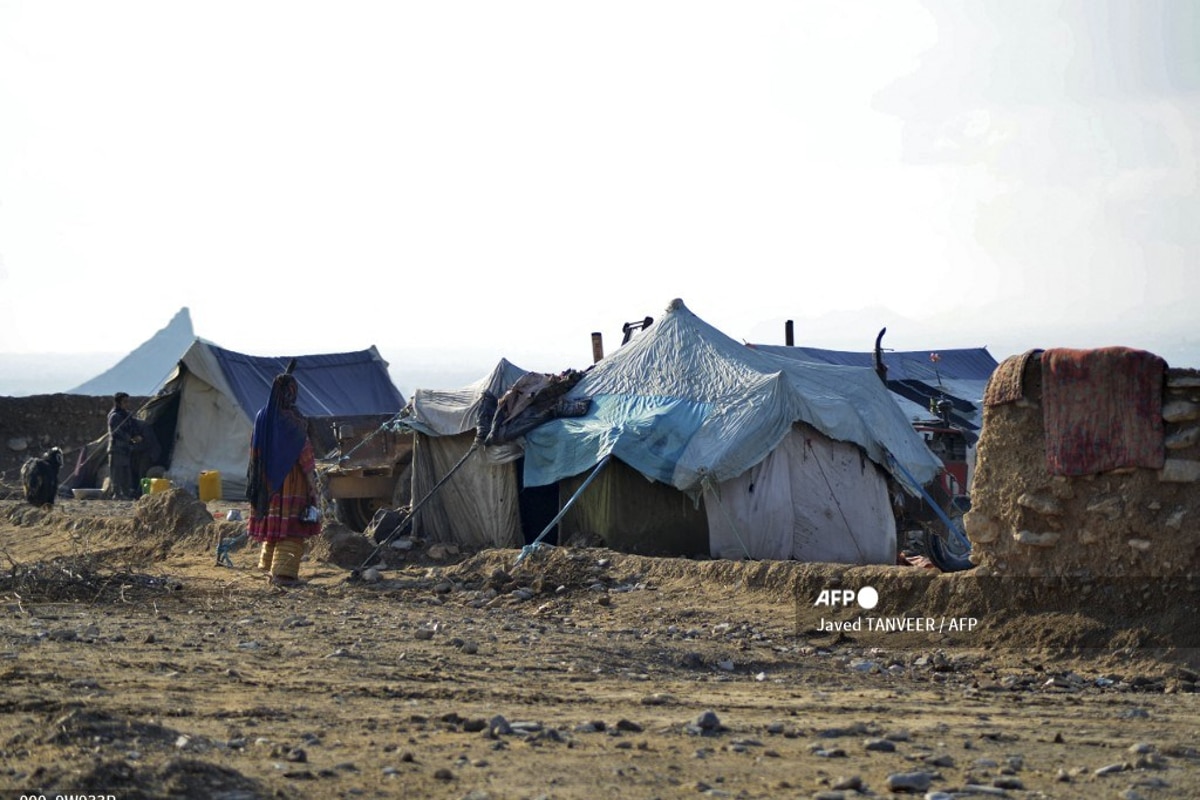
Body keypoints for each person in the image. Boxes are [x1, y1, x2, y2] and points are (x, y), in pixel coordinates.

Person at [246, 371, 322, 586]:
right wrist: (312, 486)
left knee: (273, 524)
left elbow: (254, 448)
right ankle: (284, 576)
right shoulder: (292, 420)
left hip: (265, 482)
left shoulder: (262, 416)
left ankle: (270, 569)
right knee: (290, 527)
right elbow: (305, 454)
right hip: (291, 481)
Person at [107, 392, 142, 499]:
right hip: (117, 449)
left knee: (126, 474)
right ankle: (117, 495)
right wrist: (130, 439)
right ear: (118, 402)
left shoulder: (126, 415)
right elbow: (116, 432)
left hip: (126, 449)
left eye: (128, 401)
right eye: (124, 402)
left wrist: (136, 436)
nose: (127, 404)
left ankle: (126, 494)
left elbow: (133, 428)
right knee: (116, 474)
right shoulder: (114, 416)